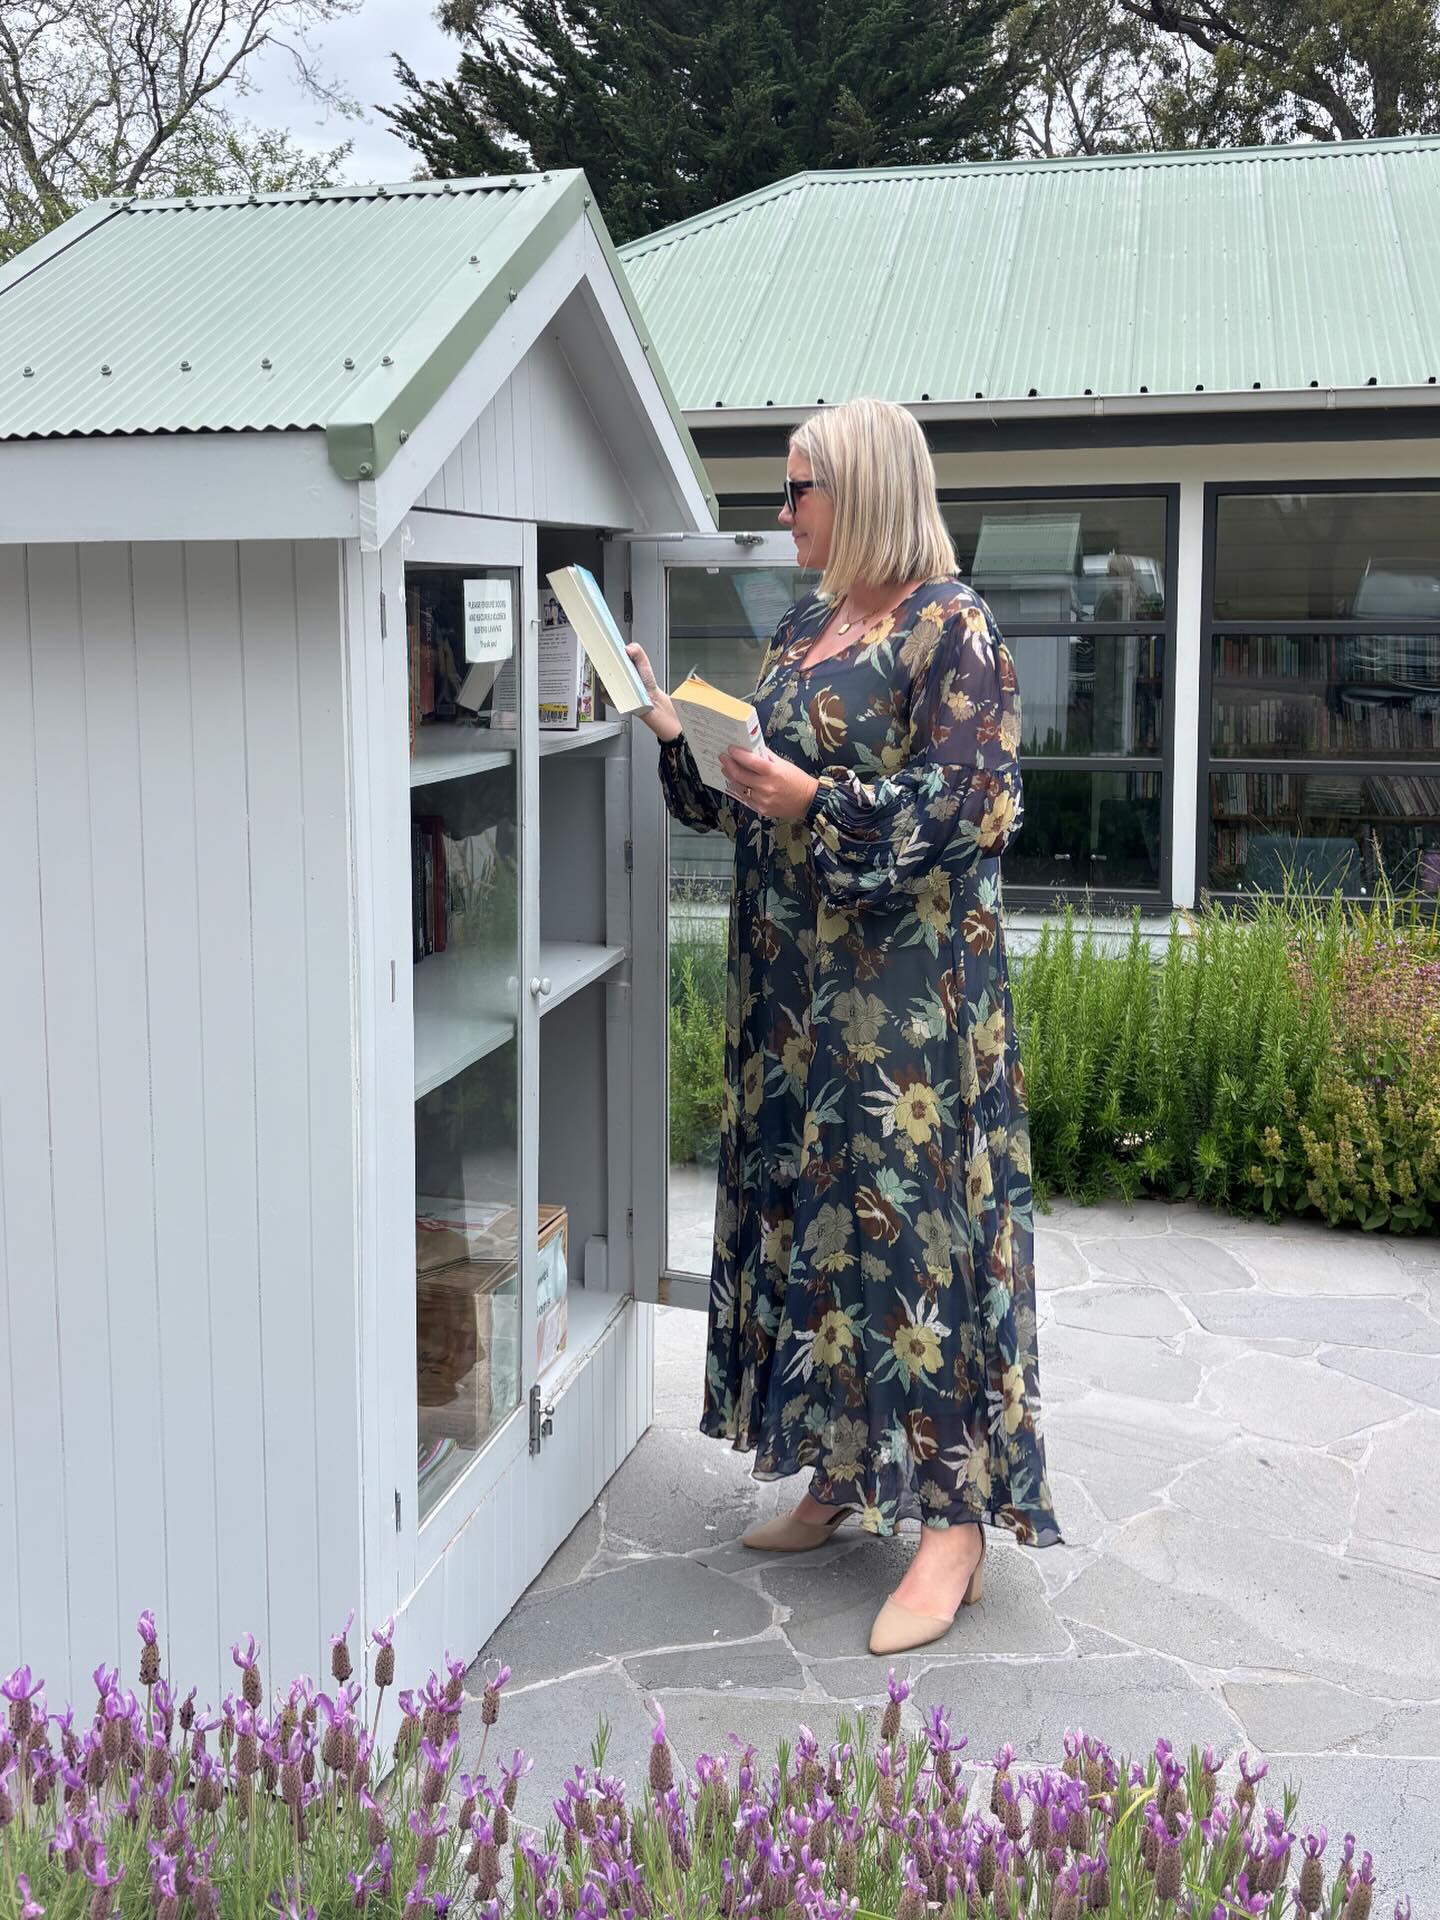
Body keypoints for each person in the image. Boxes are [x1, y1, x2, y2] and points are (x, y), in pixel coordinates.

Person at [626, 396, 1060, 1656]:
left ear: (862, 488)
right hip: (793, 998)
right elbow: (751, 791)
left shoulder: (950, 627)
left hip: (907, 1016)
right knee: (815, 1227)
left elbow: (973, 807)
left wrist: (816, 797)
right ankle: (836, 1473)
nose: (782, 512)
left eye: (797, 488)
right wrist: (688, 740)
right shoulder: (814, 622)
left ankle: (954, 1525)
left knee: (917, 1241)